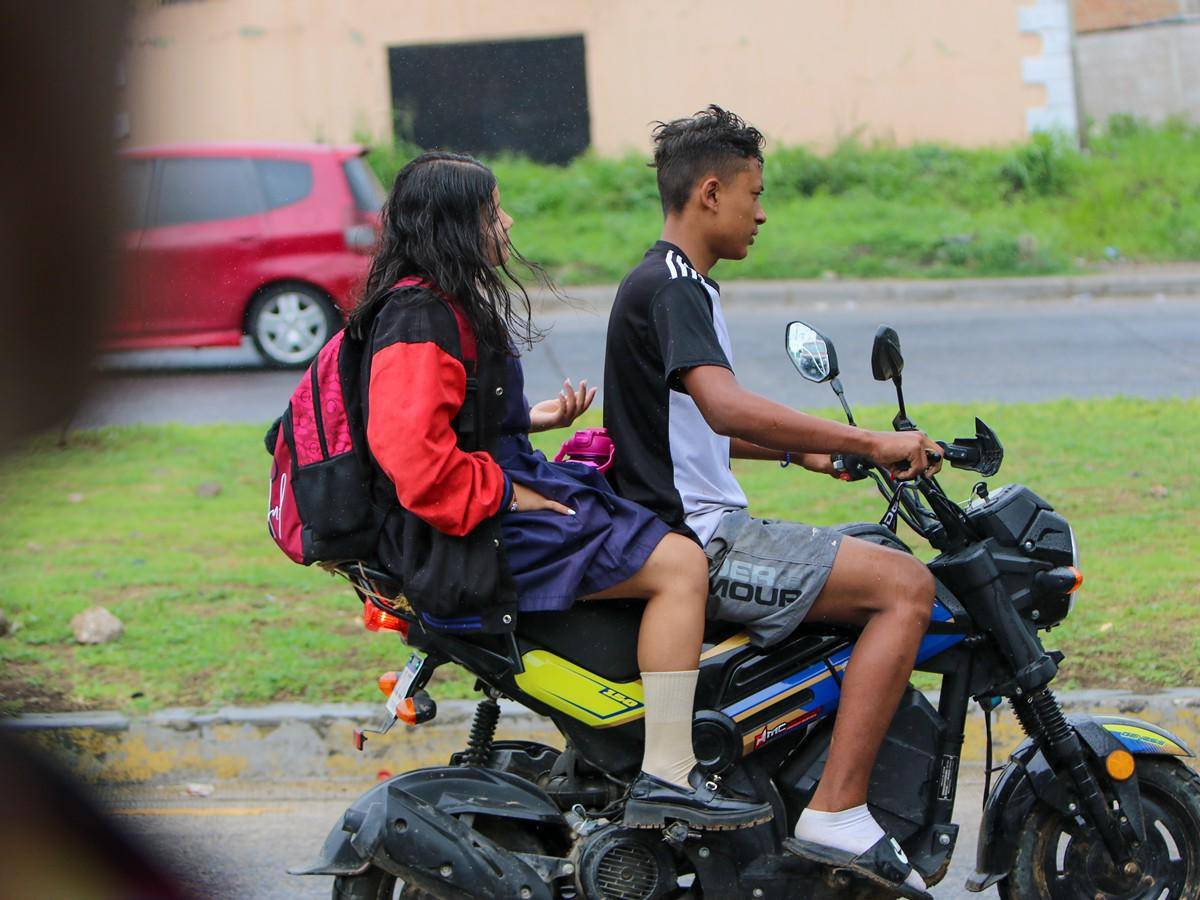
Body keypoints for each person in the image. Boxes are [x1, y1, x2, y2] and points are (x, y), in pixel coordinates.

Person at [346, 150, 771, 830]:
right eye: (491, 213)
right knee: (682, 564)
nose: (506, 224)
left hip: (492, 501)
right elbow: (415, 464)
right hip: (469, 532)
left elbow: (451, 422)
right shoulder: (418, 316)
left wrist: (534, 419)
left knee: (649, 526)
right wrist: (510, 494)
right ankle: (669, 772)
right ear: (455, 225)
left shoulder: (439, 307)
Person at [603, 107, 942, 897]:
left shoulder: (668, 282)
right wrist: (873, 443)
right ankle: (837, 809)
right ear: (710, 191)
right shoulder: (677, 286)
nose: (762, 212)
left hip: (686, 525)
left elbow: (681, 424)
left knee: (878, 566)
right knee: (908, 588)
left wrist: (804, 452)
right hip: (700, 540)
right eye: (754, 193)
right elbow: (723, 406)